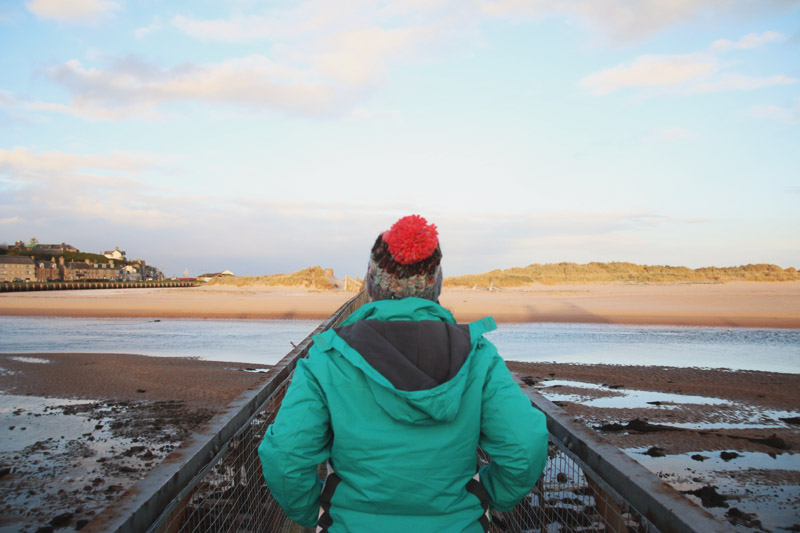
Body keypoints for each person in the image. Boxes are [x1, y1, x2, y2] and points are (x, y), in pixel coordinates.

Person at [258, 214, 548, 532]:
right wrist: (488, 496)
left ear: (371, 284)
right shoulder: (477, 355)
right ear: (435, 285)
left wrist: (311, 513)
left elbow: (286, 454)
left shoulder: (328, 356)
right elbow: (525, 444)